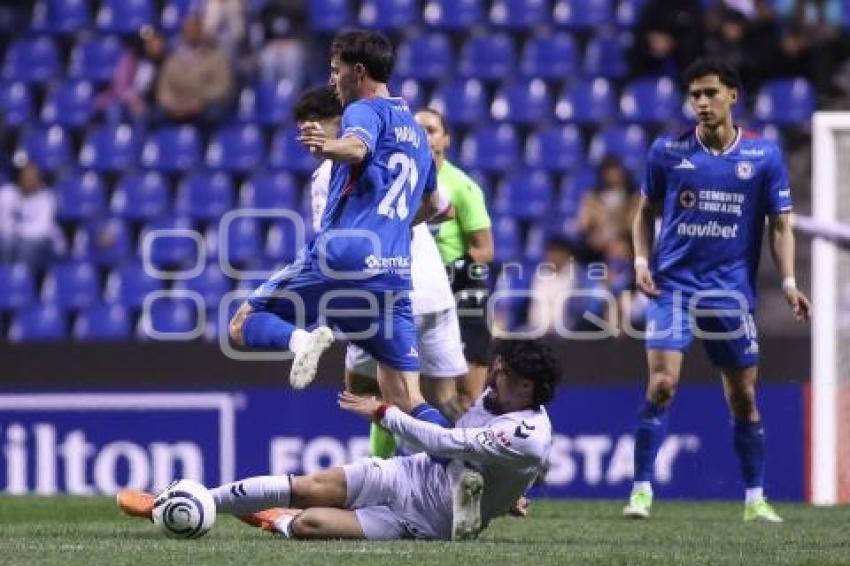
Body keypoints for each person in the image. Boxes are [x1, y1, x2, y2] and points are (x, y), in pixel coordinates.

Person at [117, 339, 558, 541]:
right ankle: (196, 501)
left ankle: (274, 517)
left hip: (433, 523)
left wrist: (386, 413)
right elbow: (457, 446)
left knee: (310, 524)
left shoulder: (525, 436)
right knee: (311, 487)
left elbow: (446, 444)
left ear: (529, 390)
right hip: (409, 475)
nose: (493, 380)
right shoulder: (495, 398)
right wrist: (507, 497)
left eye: (506, 377)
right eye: (498, 371)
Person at [228, 30, 450, 428]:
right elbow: (434, 206)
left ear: (358, 72)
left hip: (344, 256)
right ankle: (459, 468)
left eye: (336, 71)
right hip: (393, 276)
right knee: (407, 397)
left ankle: (302, 341)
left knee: (241, 324)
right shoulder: (417, 134)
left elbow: (356, 148)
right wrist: (397, 222)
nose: (333, 80)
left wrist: (326, 146)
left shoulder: (364, 110)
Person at [625, 58, 812, 522]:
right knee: (663, 384)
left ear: (733, 96)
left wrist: (788, 282)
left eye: (710, 93)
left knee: (744, 398)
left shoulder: (762, 156)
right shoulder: (668, 150)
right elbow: (643, 212)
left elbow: (781, 224)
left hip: (729, 293)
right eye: (695, 95)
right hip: (674, 288)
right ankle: (642, 491)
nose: (702, 103)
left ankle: (754, 499)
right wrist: (641, 261)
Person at [293, 86, 466, 460]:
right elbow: (446, 210)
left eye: (312, 129)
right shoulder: (404, 149)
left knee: (372, 393)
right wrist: (403, 222)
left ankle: (392, 472)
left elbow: (333, 237)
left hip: (383, 289)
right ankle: (485, 465)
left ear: (337, 124)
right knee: (446, 399)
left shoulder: (331, 171)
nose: (307, 139)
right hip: (432, 291)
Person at [415, 108, 495, 411]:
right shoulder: (399, 181)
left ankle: (472, 456)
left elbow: (485, 250)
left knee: (468, 396)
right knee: (419, 394)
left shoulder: (462, 187)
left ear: (446, 139)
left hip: (462, 291)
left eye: (432, 130)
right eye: (417, 129)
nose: (424, 136)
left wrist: (452, 268)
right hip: (420, 292)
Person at [156, 13, 233, 128]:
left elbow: (222, 88)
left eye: (195, 29)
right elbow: (163, 89)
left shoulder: (216, 57)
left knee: (214, 113)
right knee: (156, 114)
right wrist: (175, 104)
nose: (191, 33)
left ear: (202, 32)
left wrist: (200, 100)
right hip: (178, 106)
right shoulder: (173, 59)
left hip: (204, 105)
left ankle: (208, 144)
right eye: (188, 29)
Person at [0, 161, 61, 266]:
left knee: (27, 246)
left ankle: (21, 278)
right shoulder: (5, 194)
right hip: (13, 239)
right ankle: (6, 278)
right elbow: (3, 223)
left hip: (44, 242)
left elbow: (41, 228)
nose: (28, 181)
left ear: (39, 181)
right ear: (19, 178)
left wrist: (18, 232)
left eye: (32, 178)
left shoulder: (47, 198)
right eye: (25, 177)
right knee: (5, 243)